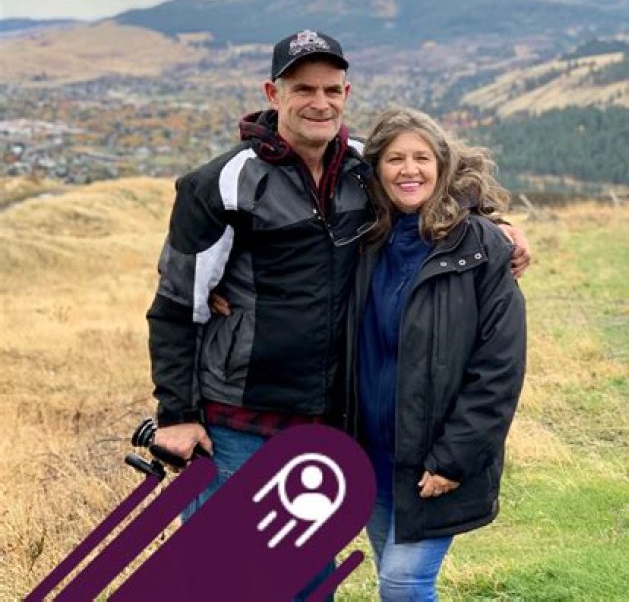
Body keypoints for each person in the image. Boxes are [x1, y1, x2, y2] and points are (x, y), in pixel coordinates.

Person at [146, 30, 530, 596]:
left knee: (305, 580)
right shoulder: (222, 184)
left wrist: (496, 227)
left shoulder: (359, 168)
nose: (319, 102)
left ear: (346, 94)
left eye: (331, 90)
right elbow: (176, 304)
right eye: (303, 89)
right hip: (236, 421)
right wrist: (176, 413)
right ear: (273, 93)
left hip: (325, 423)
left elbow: (427, 183)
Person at [343, 107, 527, 601]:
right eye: (395, 159)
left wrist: (454, 458)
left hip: (434, 456)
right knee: (393, 575)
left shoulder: (479, 245)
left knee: (403, 583)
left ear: (442, 166)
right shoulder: (363, 240)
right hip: (371, 453)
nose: (410, 170)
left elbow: (499, 368)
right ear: (376, 170)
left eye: (421, 158)